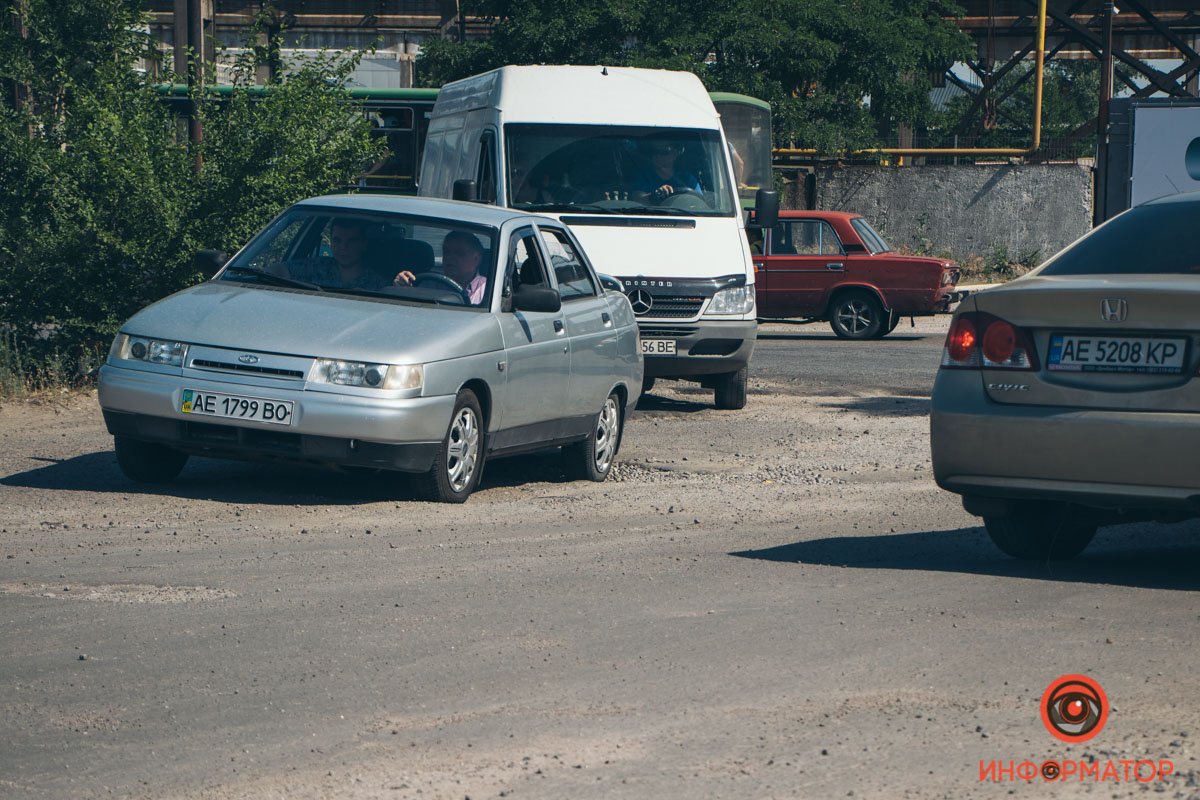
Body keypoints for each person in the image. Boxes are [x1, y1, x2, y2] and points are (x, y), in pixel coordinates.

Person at [276, 218, 389, 290]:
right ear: (330, 243)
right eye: (337, 240)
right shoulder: (316, 266)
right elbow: (280, 270)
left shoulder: (376, 283)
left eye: (351, 241)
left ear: (364, 245)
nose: (343, 247)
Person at [394, 230, 488, 305]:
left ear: (476, 258)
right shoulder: (427, 285)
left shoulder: (488, 289)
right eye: (446, 252)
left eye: (459, 253)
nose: (450, 258)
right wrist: (400, 288)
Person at [632, 141, 701, 202]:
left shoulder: (688, 179)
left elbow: (700, 203)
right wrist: (655, 195)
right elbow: (637, 199)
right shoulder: (644, 176)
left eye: (664, 151)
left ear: (675, 153)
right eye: (654, 151)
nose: (658, 155)